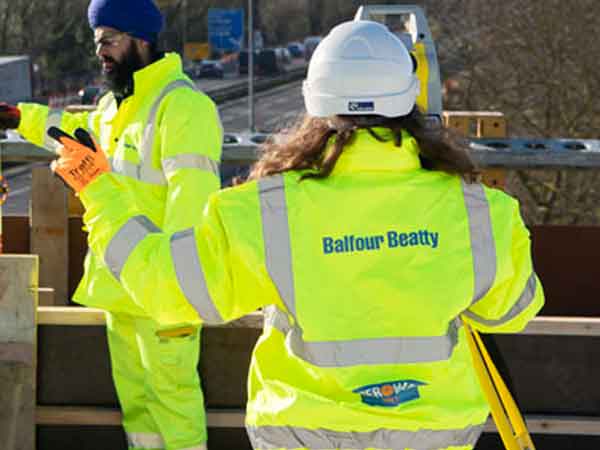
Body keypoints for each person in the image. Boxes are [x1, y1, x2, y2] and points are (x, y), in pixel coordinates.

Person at [52, 20, 543, 450]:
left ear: (315, 105)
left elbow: (166, 286)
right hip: (436, 433)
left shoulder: (266, 211)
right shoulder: (482, 211)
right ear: (410, 101)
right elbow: (512, 310)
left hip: (302, 433)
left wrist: (100, 192)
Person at [0, 0, 222, 449]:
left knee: (174, 408)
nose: (100, 51)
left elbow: (193, 208)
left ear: (142, 40)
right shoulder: (115, 107)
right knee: (138, 408)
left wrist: (176, 293)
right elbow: (72, 133)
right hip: (123, 289)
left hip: (165, 294)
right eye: (97, 41)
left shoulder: (182, 109)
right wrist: (22, 119)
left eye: (109, 40)